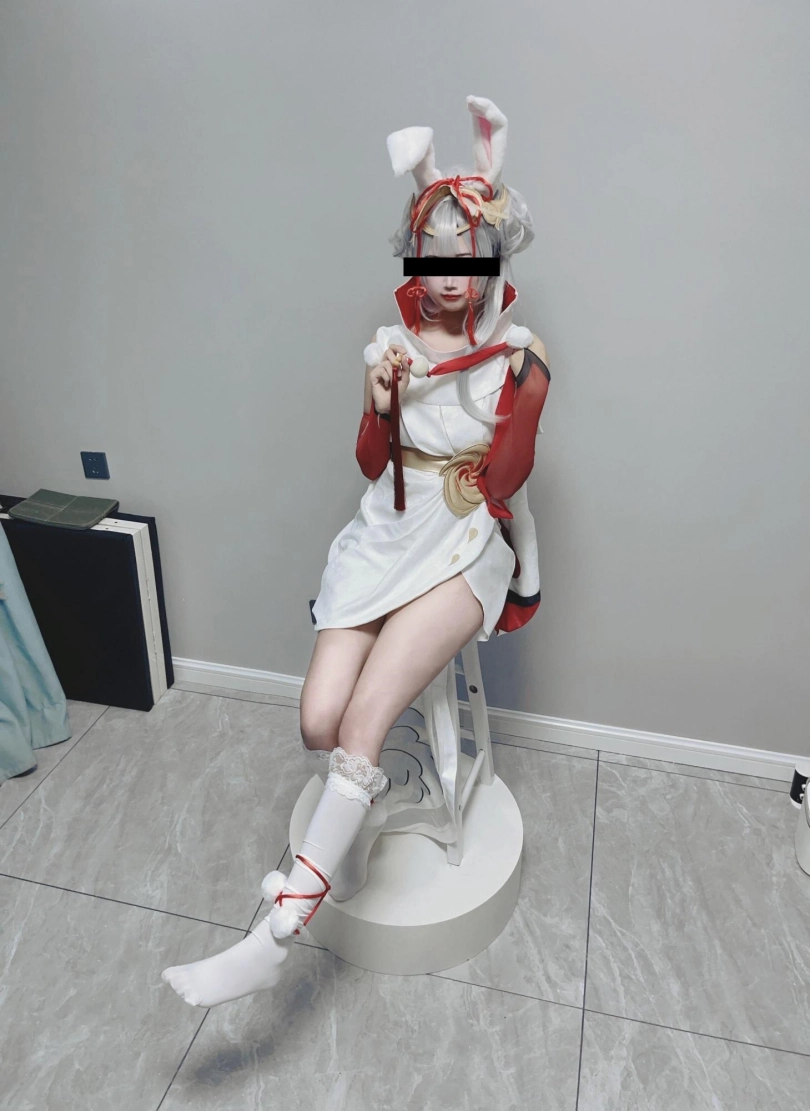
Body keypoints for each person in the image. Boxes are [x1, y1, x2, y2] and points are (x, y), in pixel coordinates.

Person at [162, 94, 550, 1008]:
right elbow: (373, 464)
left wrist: (523, 395)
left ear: (492, 260)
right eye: (434, 256)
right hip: (386, 535)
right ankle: (356, 816)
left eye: (466, 258)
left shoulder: (516, 355)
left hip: (464, 539)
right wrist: (378, 404)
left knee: (366, 717)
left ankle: (277, 930)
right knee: (319, 720)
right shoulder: (389, 346)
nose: (449, 276)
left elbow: (506, 478)